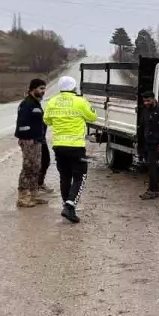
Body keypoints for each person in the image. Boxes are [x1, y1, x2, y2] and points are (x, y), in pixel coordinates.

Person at [43, 75, 98, 223]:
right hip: (76, 147)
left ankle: (67, 206)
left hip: (59, 146)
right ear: (74, 87)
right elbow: (93, 117)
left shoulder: (52, 102)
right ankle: (69, 205)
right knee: (80, 176)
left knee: (65, 176)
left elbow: (46, 120)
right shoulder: (80, 101)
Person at [14, 78, 49, 208]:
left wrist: (40, 137)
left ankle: (34, 195)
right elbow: (22, 125)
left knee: (36, 167)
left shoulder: (36, 103)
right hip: (29, 141)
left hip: (37, 140)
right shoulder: (27, 104)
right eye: (40, 88)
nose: (43, 91)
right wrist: (29, 138)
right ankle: (22, 197)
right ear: (32, 89)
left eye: (44, 89)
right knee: (28, 168)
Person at [138, 90, 159, 200]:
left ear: (153, 98)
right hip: (147, 142)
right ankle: (151, 189)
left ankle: (154, 191)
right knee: (150, 166)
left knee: (152, 166)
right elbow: (142, 126)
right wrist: (140, 143)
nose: (146, 103)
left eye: (148, 101)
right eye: (144, 101)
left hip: (157, 144)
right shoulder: (145, 110)